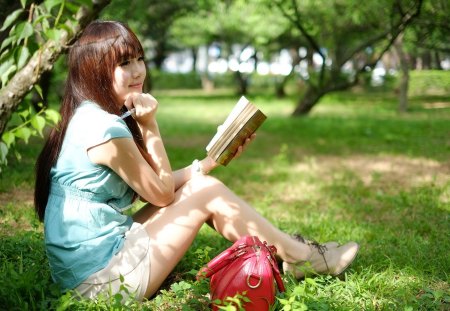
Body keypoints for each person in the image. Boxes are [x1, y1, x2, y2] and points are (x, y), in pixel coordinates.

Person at [34, 20, 359, 302]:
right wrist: (150, 125)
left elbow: (151, 186)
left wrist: (207, 163)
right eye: (124, 63)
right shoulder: (104, 128)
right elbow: (160, 193)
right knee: (207, 192)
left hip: (91, 266)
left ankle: (294, 253)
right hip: (100, 283)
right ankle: (302, 258)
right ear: (96, 70)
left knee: (203, 186)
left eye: (139, 59)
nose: (137, 71)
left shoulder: (88, 116)